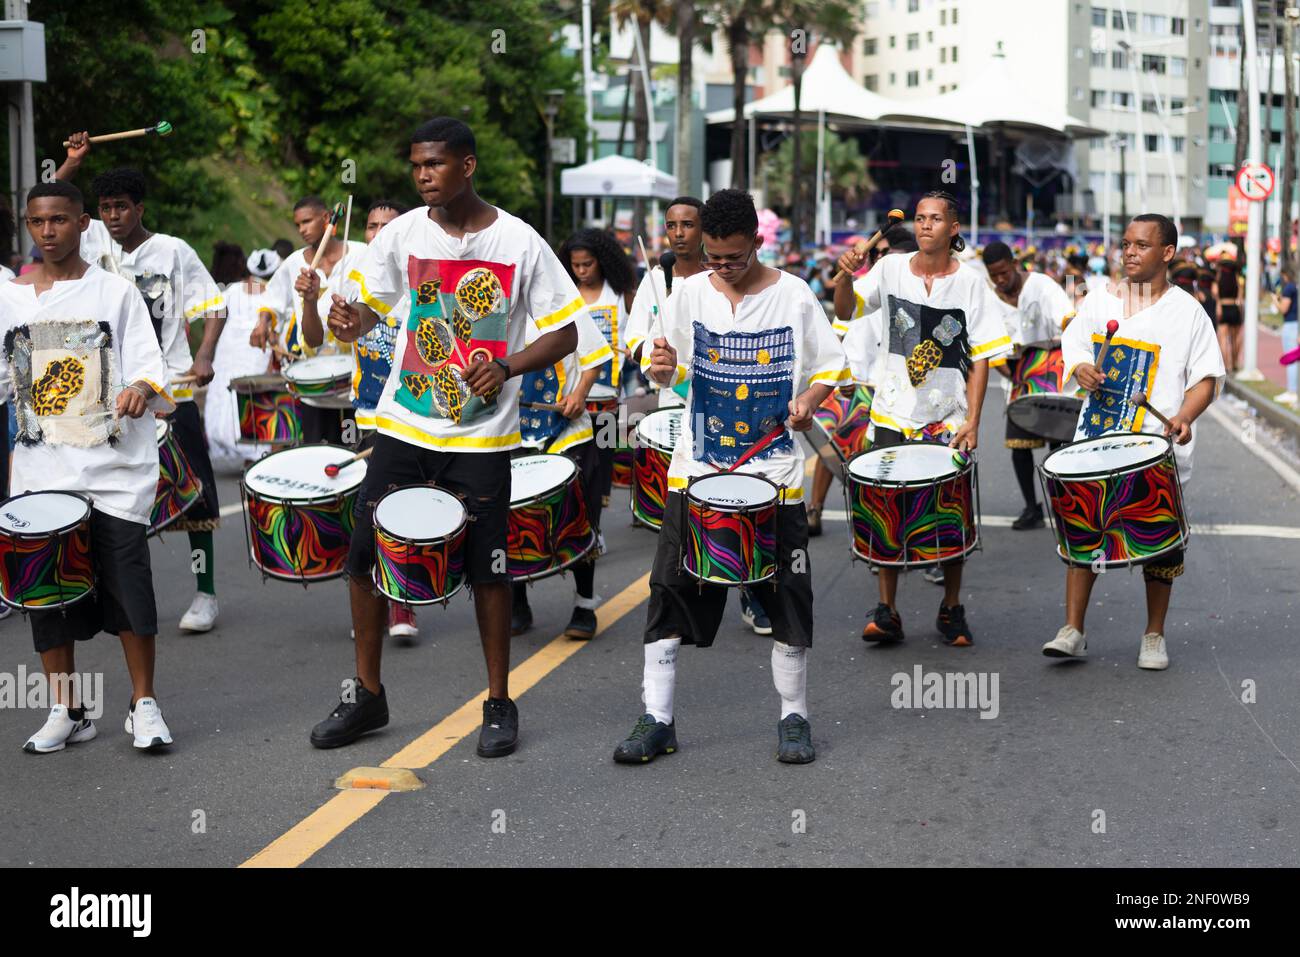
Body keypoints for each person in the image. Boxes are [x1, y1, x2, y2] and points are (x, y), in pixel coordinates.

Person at [316, 117, 581, 756]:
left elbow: (566, 331)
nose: (422, 176)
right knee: (362, 557)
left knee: (490, 572)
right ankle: (367, 696)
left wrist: (509, 365)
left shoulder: (519, 241)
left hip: (483, 437)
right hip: (405, 424)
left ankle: (497, 702)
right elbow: (367, 311)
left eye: (434, 164)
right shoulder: (403, 233)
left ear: (467, 165)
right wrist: (348, 319)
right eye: (415, 166)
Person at [612, 188, 849, 766]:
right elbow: (658, 363)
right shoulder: (686, 294)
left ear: (758, 244)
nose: (722, 268)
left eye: (734, 258)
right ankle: (658, 719)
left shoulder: (793, 295)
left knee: (787, 596)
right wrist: (658, 364)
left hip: (777, 477)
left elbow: (832, 367)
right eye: (714, 258)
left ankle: (795, 718)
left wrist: (808, 402)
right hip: (696, 474)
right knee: (668, 592)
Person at [0, 181, 174, 752]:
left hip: (114, 474)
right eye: (37, 222)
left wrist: (139, 389)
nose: (47, 231)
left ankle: (142, 703)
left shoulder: (115, 294)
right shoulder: (13, 300)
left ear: (81, 224)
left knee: (130, 589)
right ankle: (66, 709)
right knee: (47, 595)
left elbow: (151, 368)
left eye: (59, 220)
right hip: (42, 475)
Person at [1043, 214, 1224, 669]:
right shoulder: (1099, 298)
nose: (1128, 252)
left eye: (1141, 245)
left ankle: (1153, 635)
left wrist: (1184, 415)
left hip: (1154, 449)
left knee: (1160, 542)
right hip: (1096, 440)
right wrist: (1081, 366)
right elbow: (1075, 344)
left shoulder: (1188, 312)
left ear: (1167, 253)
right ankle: (1073, 629)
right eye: (1125, 244)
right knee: (1084, 531)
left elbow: (1206, 378)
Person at [837, 191, 1012, 647]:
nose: (925, 225)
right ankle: (887, 610)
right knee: (887, 510)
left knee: (949, 514)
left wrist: (972, 421)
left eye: (936, 218)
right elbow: (845, 310)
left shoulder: (971, 283)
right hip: (892, 413)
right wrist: (843, 277)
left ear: (954, 228)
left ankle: (951, 609)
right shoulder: (890, 269)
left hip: (946, 422)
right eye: (919, 218)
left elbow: (981, 359)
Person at [91, 167, 228, 633]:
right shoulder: (92, 249)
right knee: (114, 499)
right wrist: (72, 158)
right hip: (111, 396)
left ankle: (205, 593)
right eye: (106, 208)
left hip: (171, 390)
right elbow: (50, 199)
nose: (113, 216)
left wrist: (204, 354)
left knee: (196, 501)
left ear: (140, 208)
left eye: (122, 207)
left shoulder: (172, 250)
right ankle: (114, 597)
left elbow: (214, 306)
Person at [511, 227, 629, 639]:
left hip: (568, 430)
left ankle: (584, 603)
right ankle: (516, 600)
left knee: (578, 514)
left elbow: (596, 354)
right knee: (512, 518)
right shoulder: (498, 310)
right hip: (514, 434)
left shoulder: (565, 304)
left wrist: (579, 391)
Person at [338, 198, 422, 641]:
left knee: (402, 510)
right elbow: (319, 338)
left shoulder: (420, 279)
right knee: (366, 514)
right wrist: (314, 298)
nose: (378, 233)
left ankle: (404, 605)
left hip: (410, 413)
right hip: (365, 411)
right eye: (371, 226)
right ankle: (371, 604)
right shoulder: (350, 279)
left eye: (388, 226)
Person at [816, 222, 916, 537]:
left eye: (894, 256)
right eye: (881, 255)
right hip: (860, 391)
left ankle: (907, 533)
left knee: (903, 471)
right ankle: (816, 509)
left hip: (903, 398)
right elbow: (837, 336)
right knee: (832, 445)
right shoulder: (864, 290)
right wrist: (842, 380)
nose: (887, 261)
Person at [254, 197, 367, 444]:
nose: (302, 229)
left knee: (355, 453)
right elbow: (272, 300)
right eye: (298, 225)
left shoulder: (361, 254)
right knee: (318, 453)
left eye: (307, 221)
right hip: (314, 381)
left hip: (357, 378)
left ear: (327, 219)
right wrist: (263, 323)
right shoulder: (294, 263)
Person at [982, 241, 1075, 530]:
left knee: (1058, 444)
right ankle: (1031, 507)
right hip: (1019, 376)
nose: (1000, 280)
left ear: (1014, 264)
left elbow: (1067, 318)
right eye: (993, 275)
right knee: (1018, 445)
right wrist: (1007, 370)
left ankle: (1065, 509)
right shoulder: (989, 299)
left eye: (1003, 272)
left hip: (1053, 370)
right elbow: (990, 343)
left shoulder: (1041, 285)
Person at [206, 243, 277, 468]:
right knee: (252, 400)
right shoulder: (274, 295)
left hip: (229, 352)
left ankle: (237, 445)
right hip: (255, 352)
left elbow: (212, 316)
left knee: (224, 397)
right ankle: (254, 452)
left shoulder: (231, 291)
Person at [1214, 257, 1243, 373]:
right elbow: (1240, 296)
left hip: (1223, 307)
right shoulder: (1236, 278)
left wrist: (1218, 305)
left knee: (1224, 339)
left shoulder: (1219, 277)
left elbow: (1215, 293)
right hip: (1234, 307)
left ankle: (1227, 365)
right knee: (1236, 339)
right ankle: (1235, 362)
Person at [1273, 267, 1297, 405]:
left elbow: (1283, 309)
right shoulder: (1295, 287)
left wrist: (1275, 301)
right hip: (1295, 324)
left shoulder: (1288, 288)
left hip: (1291, 325)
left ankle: (1292, 391)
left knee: (1291, 358)